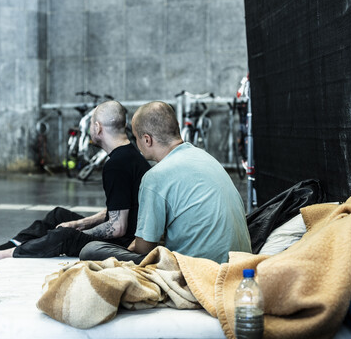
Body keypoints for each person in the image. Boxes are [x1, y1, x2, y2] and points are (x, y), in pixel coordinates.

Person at [0, 100, 150, 281]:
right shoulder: (129, 155)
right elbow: (120, 208)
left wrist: (76, 232)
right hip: (127, 231)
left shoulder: (117, 164)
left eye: (90, 125)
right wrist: (80, 222)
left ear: (97, 128)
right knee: (58, 215)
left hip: (122, 243)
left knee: (63, 236)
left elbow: (117, 227)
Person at [80, 101, 251, 264]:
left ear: (147, 140)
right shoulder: (206, 157)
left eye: (136, 138)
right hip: (240, 262)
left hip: (199, 268)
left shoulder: (155, 176)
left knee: (91, 250)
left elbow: (143, 250)